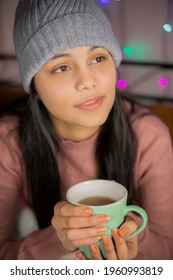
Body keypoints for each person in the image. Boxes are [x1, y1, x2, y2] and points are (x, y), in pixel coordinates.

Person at [0, 0, 173, 260]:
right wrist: (56, 240)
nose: (88, 81)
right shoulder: (8, 140)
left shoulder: (149, 135)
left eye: (98, 58)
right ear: (34, 86)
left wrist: (133, 233)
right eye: (62, 67)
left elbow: (168, 251)